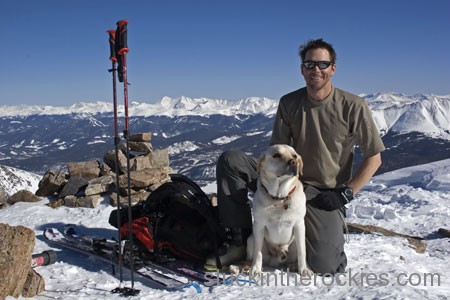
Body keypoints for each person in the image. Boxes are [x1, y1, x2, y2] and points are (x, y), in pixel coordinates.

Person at [208, 38, 385, 275]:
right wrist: (269, 184)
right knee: (232, 160)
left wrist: (346, 192)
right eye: (310, 64)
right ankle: (239, 241)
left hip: (324, 193)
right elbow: (277, 150)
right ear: (302, 69)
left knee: (325, 266)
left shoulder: (353, 106)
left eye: (323, 64)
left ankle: (325, 242)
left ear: (333, 68)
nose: (316, 70)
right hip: (287, 179)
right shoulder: (289, 103)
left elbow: (374, 157)